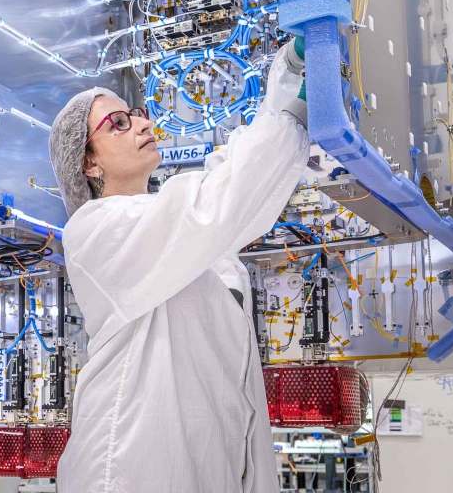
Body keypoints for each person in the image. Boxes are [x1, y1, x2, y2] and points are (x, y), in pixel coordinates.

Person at [49, 47, 309, 493]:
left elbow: (231, 191)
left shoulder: (173, 232)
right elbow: (213, 206)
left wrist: (292, 84)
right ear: (89, 162)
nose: (144, 124)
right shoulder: (95, 232)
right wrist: (288, 108)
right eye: (118, 124)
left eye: (136, 114)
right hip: (128, 470)